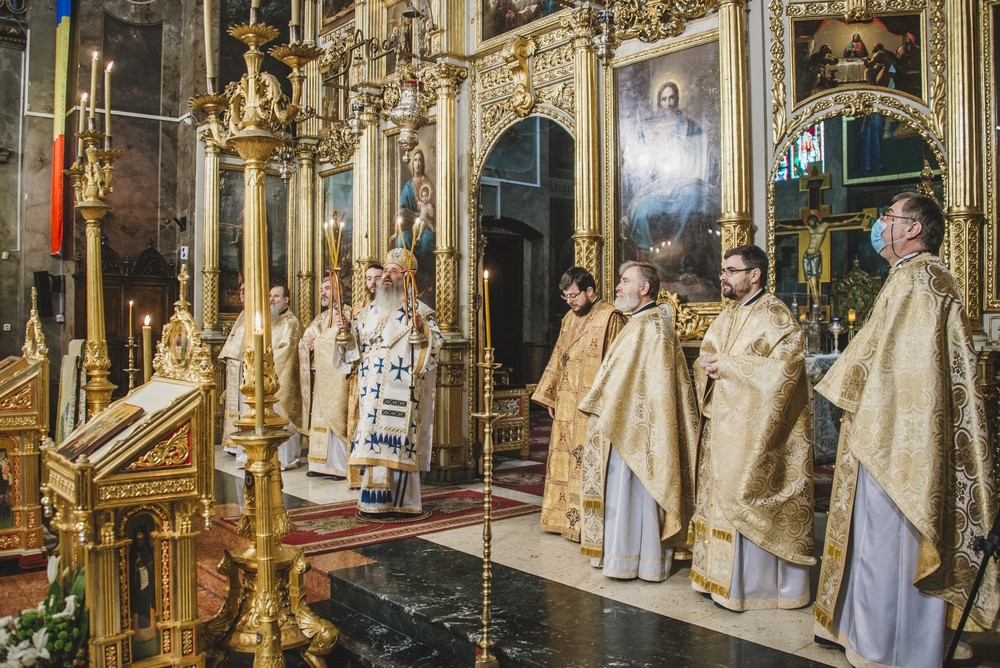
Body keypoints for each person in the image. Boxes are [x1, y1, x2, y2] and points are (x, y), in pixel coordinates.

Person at [813, 192, 999, 666]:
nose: (881, 225)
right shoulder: (910, 277)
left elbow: (909, 374)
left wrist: (861, 404)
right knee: (880, 542)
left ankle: (892, 647)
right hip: (886, 429)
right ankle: (880, 637)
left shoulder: (922, 279)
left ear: (914, 228)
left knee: (892, 542)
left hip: (897, 439)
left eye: (889, 218)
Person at [689, 244, 815, 611]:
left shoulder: (776, 316)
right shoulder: (727, 316)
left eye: (730, 270)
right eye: (723, 270)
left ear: (754, 274)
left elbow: (785, 373)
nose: (723, 277)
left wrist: (728, 367)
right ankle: (715, 576)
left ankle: (754, 588)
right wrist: (709, 368)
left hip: (756, 432)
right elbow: (707, 360)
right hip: (722, 425)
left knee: (748, 495)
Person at [578, 261, 700, 581]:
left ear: (644, 288)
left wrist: (603, 402)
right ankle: (625, 555)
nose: (618, 287)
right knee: (624, 490)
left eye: (624, 281)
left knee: (636, 492)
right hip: (627, 423)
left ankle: (638, 558)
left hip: (640, 429)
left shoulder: (652, 327)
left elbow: (653, 389)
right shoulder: (639, 323)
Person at [338, 248, 443, 516]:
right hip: (371, 393)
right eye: (385, 270)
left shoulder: (419, 311)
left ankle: (404, 502)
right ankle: (374, 501)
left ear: (407, 276)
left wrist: (421, 333)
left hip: (402, 390)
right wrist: (345, 337)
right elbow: (354, 348)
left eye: (393, 271)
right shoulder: (368, 312)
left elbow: (436, 346)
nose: (386, 276)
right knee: (373, 440)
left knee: (398, 442)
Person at [531, 267, 626, 542]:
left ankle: (588, 525)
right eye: (565, 297)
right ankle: (561, 518)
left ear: (590, 291)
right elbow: (558, 355)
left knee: (587, 461)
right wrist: (551, 394)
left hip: (591, 405)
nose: (570, 301)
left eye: (574, 295)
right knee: (564, 459)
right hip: (566, 402)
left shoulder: (611, 318)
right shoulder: (569, 318)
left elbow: (616, 366)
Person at [236, 285, 305, 470]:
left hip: (280, 379)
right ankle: (252, 454)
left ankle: (283, 458)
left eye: (276, 296)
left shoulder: (292, 323)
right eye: (270, 296)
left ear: (286, 300)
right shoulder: (268, 321)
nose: (272, 299)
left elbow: (287, 351)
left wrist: (263, 364)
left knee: (280, 414)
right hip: (261, 375)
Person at [301, 275, 351, 479]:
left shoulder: (346, 314)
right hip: (322, 375)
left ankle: (338, 465)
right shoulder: (322, 317)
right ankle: (319, 464)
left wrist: (318, 343)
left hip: (338, 377)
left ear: (340, 291)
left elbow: (339, 340)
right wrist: (308, 345)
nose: (323, 292)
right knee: (320, 418)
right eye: (322, 289)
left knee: (336, 415)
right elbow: (307, 336)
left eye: (328, 288)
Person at [219, 281, 246, 456]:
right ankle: (232, 442)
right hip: (235, 364)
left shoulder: (255, 313)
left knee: (242, 405)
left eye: (245, 290)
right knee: (233, 404)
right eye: (240, 290)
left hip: (244, 366)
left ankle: (240, 443)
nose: (241, 293)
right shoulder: (243, 313)